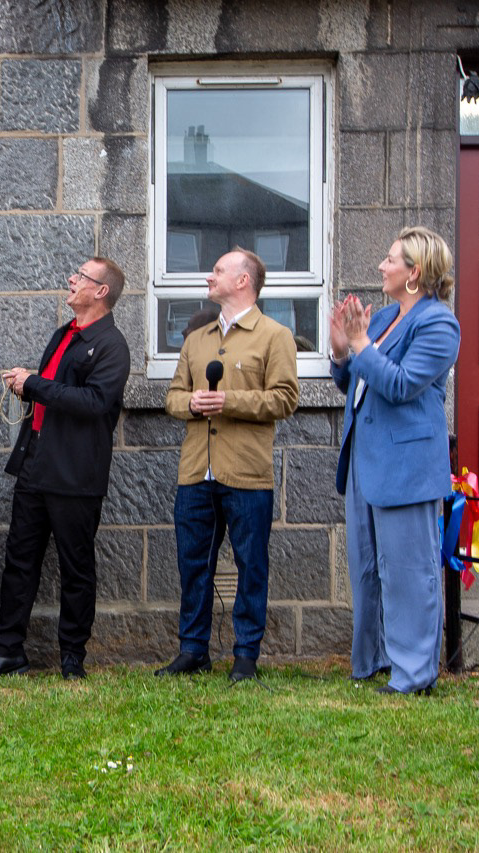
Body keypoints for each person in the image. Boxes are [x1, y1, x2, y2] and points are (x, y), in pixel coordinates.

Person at [0, 257, 131, 682]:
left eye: (80, 276)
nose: (71, 279)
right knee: (19, 562)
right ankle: (7, 654)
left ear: (101, 291)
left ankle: (72, 659)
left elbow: (95, 403)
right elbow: (51, 394)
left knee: (76, 568)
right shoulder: (65, 334)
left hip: (76, 476)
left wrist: (34, 383)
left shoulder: (112, 345)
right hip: (36, 466)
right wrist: (27, 386)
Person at [157, 248, 299, 682]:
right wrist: (192, 403)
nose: (209, 276)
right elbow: (172, 398)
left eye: (218, 270)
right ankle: (193, 649)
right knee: (192, 564)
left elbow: (285, 398)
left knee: (251, 565)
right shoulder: (197, 339)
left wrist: (228, 401)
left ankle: (245, 656)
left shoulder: (275, 335)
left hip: (246, 474)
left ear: (243, 281)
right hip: (196, 471)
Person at [330, 226, 461, 695]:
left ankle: (414, 674)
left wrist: (361, 345)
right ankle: (374, 659)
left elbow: (402, 385)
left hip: (406, 467)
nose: (381, 267)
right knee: (367, 567)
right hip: (368, 461)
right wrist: (342, 351)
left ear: (415, 272)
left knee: (409, 571)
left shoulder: (439, 324)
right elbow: (357, 384)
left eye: (390, 260)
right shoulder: (384, 317)